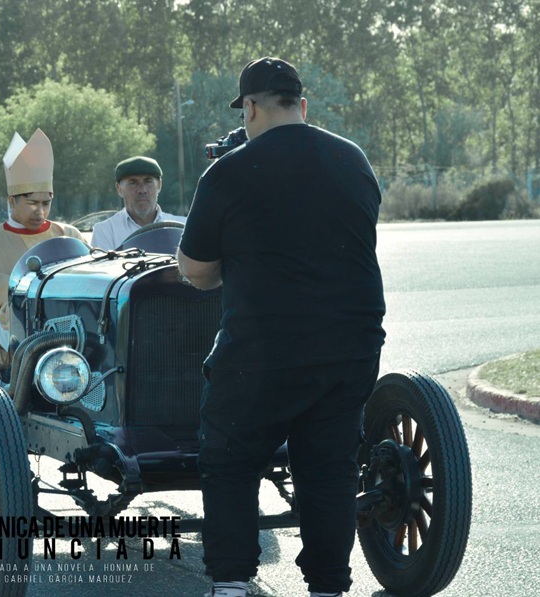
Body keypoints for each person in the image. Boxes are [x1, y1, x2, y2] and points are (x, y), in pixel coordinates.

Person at [176, 57, 386, 597]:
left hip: (263, 347)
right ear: (302, 105)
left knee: (229, 460)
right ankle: (328, 588)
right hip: (353, 342)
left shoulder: (228, 171)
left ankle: (230, 583)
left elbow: (195, 270)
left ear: (249, 108)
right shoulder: (353, 159)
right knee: (330, 467)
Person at [0, 129, 84, 370]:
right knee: (18, 316)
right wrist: (33, 287)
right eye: (32, 203)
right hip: (9, 325)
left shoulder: (68, 234)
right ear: (12, 201)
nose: (40, 211)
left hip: (67, 319)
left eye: (46, 203)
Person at [90, 156, 185, 250]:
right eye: (133, 183)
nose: (142, 190)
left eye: (148, 181)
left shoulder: (185, 227)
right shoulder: (105, 231)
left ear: (159, 185)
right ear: (119, 189)